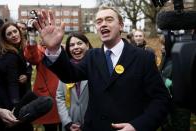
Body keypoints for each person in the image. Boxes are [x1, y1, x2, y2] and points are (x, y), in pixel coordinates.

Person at [33, 5, 171, 131]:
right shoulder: (92, 56)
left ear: (121, 25)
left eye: (109, 19)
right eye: (99, 22)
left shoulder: (143, 58)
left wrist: (137, 126)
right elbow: (69, 75)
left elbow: (161, 100)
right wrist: (54, 49)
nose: (103, 24)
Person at [24, 29, 61, 131]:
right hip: (49, 96)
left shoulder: (63, 49)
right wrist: (31, 37)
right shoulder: (41, 50)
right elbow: (33, 57)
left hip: (64, 96)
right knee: (51, 128)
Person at [0, 22, 33, 131]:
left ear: (20, 32)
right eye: (9, 34)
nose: (13, 35)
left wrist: (26, 75)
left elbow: (28, 66)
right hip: (10, 101)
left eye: (15, 31)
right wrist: (15, 106)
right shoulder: (10, 55)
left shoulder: (21, 49)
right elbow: (12, 82)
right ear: (5, 38)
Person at [56, 32, 92, 131]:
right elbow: (60, 97)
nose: (75, 47)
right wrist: (67, 122)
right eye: (71, 45)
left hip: (91, 124)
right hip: (70, 124)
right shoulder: (66, 69)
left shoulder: (96, 66)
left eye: (79, 43)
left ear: (87, 45)